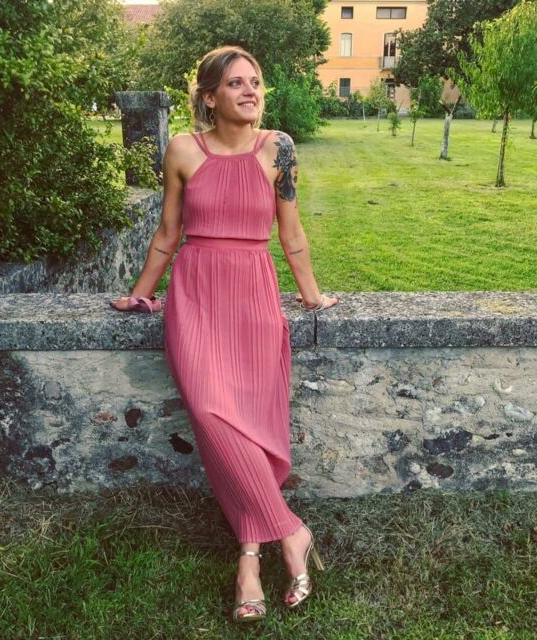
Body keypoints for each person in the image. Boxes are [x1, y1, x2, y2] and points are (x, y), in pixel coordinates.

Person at [111, 45, 339, 623]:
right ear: (209, 97)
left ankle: (248, 561)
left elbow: (291, 233)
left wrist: (312, 295)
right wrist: (142, 292)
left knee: (249, 427)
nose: (250, 91)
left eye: (255, 81)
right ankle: (291, 530)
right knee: (212, 412)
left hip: (254, 298)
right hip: (195, 297)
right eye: (236, 83)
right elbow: (168, 232)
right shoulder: (183, 149)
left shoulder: (279, 148)